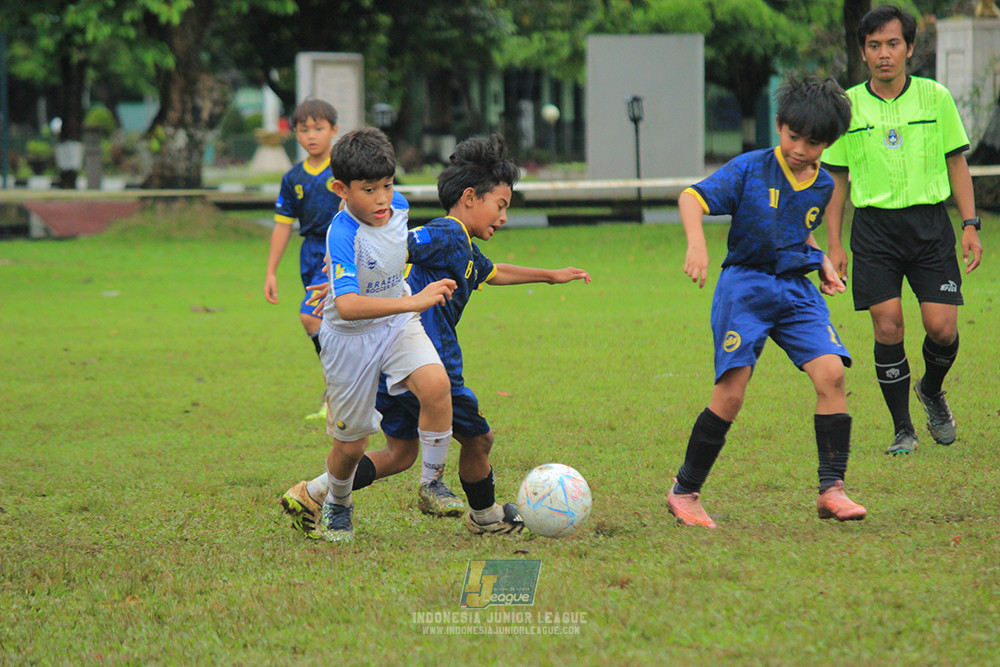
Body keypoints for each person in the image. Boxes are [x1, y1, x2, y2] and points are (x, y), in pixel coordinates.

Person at [279, 134, 591, 536]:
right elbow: (396, 246)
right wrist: (340, 283)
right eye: (501, 205)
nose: (504, 217)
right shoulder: (445, 233)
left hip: (400, 353)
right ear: (470, 197)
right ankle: (483, 516)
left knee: (400, 454)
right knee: (479, 440)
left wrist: (551, 276)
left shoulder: (460, 244)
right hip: (415, 353)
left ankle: (314, 492)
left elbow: (492, 272)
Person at [666, 76, 866, 529]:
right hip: (746, 287)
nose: (800, 148)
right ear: (779, 126)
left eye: (813, 143)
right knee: (731, 394)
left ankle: (832, 489)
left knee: (832, 374)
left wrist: (821, 262)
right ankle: (684, 491)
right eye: (793, 136)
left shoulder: (824, 187)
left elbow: (798, 230)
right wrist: (696, 244)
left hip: (796, 290)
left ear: (828, 143)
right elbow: (691, 197)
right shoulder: (750, 168)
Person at [822, 4, 983, 455]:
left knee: (942, 329)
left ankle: (931, 390)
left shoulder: (936, 98)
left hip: (930, 225)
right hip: (873, 229)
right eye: (874, 46)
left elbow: (957, 162)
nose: (884, 54)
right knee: (888, 324)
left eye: (893, 43)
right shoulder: (847, 106)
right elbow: (835, 178)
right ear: (863, 52)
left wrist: (970, 224)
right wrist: (834, 243)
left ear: (910, 47)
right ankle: (903, 430)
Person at [313, 126, 458, 542]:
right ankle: (337, 502)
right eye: (369, 189)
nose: (382, 199)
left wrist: (395, 296)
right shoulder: (341, 233)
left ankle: (432, 484)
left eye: (388, 185)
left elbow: (394, 252)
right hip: (350, 337)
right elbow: (349, 305)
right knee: (352, 445)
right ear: (341, 188)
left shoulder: (399, 206)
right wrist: (413, 301)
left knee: (435, 384)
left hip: (395, 323)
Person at [264, 99, 343, 422]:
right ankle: (336, 396)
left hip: (340, 251)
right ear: (295, 132)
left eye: (319, 128)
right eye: (304, 129)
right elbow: (283, 226)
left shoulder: (343, 170)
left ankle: (339, 394)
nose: (312, 136)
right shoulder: (293, 178)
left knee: (312, 318)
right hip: (311, 255)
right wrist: (271, 271)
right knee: (329, 325)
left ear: (334, 131)